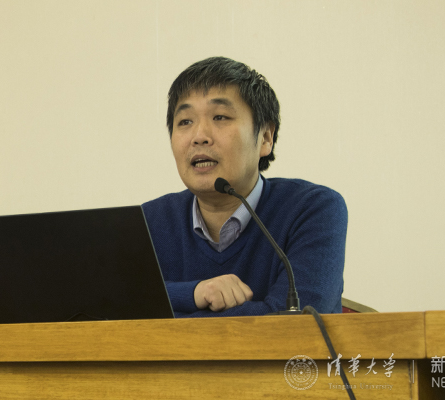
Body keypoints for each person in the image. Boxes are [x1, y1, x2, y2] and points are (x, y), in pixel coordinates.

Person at [142, 57, 348, 318]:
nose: (199, 136)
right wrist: (194, 293)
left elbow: (295, 324)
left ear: (265, 137)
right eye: (185, 121)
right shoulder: (147, 221)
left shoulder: (312, 209)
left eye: (220, 117)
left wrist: (167, 312)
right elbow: (105, 313)